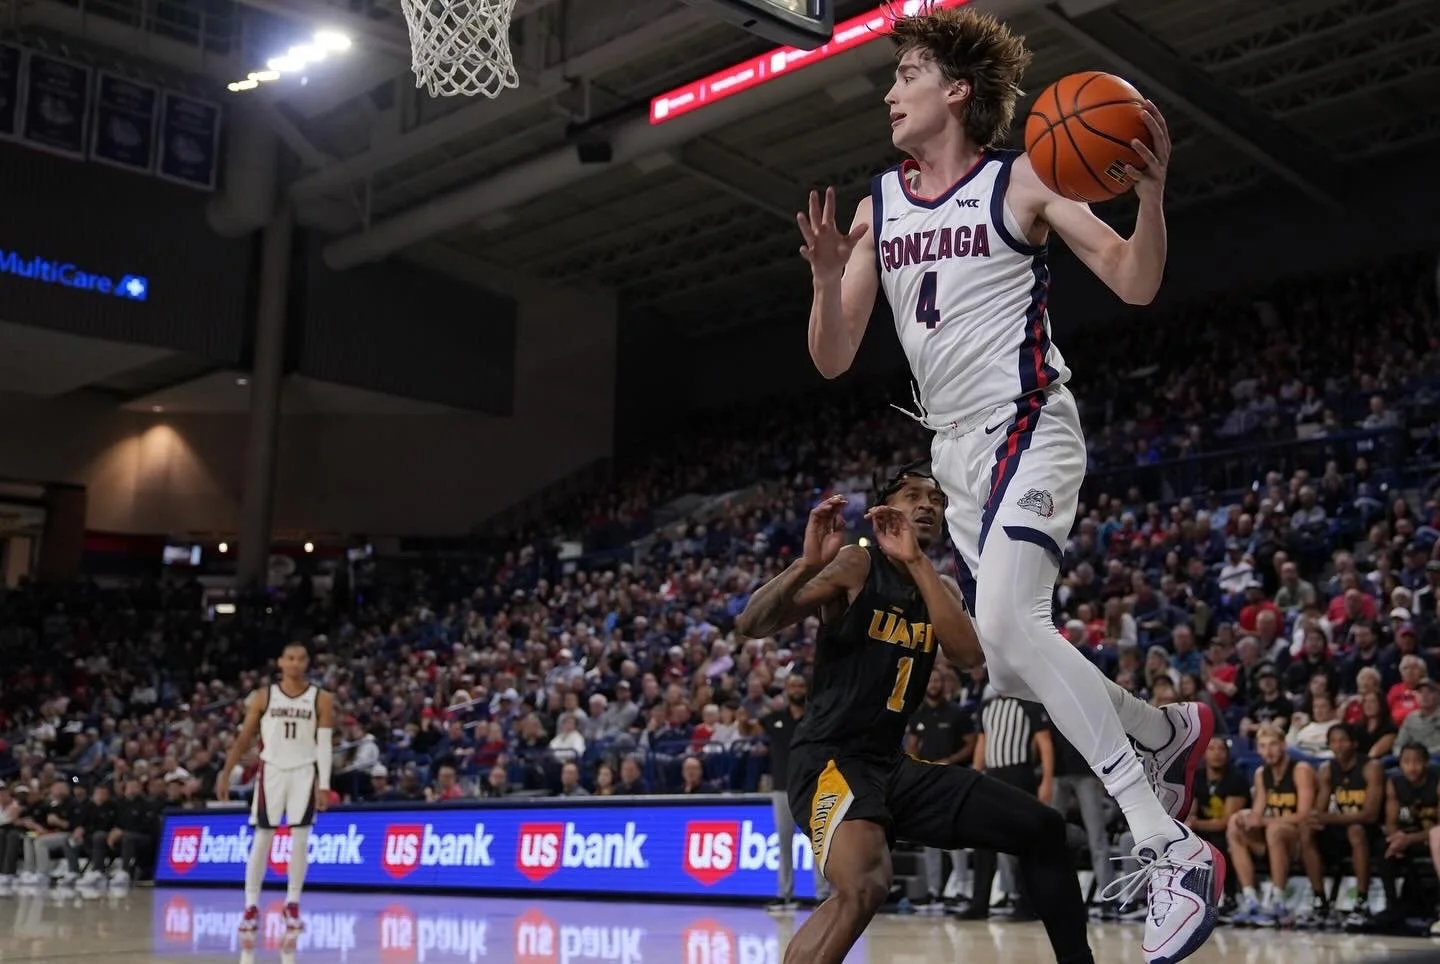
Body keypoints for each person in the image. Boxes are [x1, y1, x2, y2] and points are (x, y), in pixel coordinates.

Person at [795, 8, 1218, 959]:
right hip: (956, 457)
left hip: (1029, 420)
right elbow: (833, 355)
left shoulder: (1024, 176)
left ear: (954, 91)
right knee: (1005, 654)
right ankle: (1159, 729)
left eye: (906, 74)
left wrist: (1148, 199)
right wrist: (827, 281)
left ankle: (1168, 843)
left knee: (1014, 629)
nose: (889, 91)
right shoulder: (878, 206)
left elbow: (1132, 280)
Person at [735, 465, 1092, 964]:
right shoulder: (855, 567)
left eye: (937, 500)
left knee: (1044, 829)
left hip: (891, 766)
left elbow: (968, 657)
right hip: (829, 761)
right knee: (866, 885)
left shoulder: (939, 586)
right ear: (885, 511)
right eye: (913, 495)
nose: (928, 505)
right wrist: (805, 564)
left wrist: (919, 563)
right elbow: (752, 623)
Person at [217, 642, 335, 934]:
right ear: (281, 662)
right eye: (290, 658)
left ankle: (292, 902)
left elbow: (324, 744)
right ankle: (250, 906)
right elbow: (245, 737)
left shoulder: (321, 698)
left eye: (300, 659)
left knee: (300, 840)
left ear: (306, 663)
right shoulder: (263, 697)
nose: (295, 664)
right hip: (271, 772)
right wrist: (226, 771)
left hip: (305, 772)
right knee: (262, 838)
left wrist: (325, 783)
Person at [1227, 723, 1315, 926]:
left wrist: (1264, 820)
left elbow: (1304, 814)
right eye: (1263, 746)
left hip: (1300, 840)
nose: (1269, 751)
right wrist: (1246, 817)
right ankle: (1250, 899)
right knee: (1235, 823)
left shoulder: (1300, 770)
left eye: (1273, 745)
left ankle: (1279, 900)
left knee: (1275, 829)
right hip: (1271, 839)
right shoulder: (1261, 773)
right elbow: (1258, 811)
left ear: (1284, 745)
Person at [1302, 724, 1383, 929]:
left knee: (1355, 830)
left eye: (1343, 740)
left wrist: (1327, 817)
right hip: (1340, 827)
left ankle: (1361, 901)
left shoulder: (1370, 767)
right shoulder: (1327, 769)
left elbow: (1370, 815)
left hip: (1370, 832)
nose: (1339, 745)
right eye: (1334, 741)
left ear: (1354, 743)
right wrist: (1317, 819)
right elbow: (1319, 811)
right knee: (1307, 831)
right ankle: (1320, 900)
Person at [763, 672, 831, 911]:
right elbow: (748, 727)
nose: (797, 689)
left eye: (801, 684)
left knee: (818, 842)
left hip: (813, 786)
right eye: (792, 685)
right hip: (782, 787)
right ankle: (784, 893)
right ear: (786, 690)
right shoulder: (774, 719)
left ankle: (822, 893)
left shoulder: (816, 717)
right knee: (783, 842)